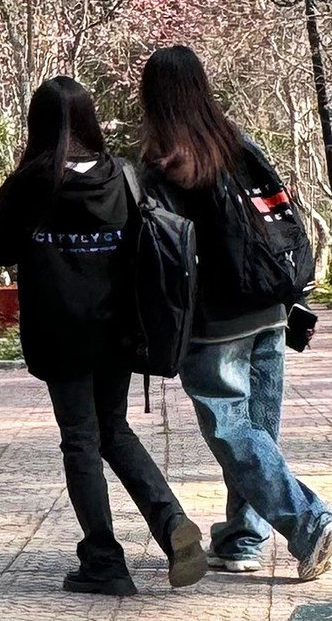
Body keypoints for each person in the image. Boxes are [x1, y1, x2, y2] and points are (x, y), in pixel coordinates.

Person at [0, 74, 207, 597]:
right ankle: (171, 524)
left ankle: (104, 559)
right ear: (89, 121)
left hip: (60, 337)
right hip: (116, 333)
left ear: (38, 126)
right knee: (113, 430)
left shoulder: (33, 182)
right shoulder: (123, 178)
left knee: (81, 440)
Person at [140, 44, 332, 582]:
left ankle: (310, 521)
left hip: (215, 323)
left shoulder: (162, 164)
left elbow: (161, 253)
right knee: (257, 431)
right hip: (269, 306)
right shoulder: (236, 142)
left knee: (232, 429)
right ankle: (245, 537)